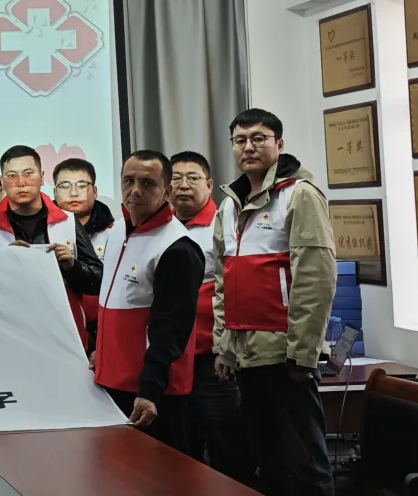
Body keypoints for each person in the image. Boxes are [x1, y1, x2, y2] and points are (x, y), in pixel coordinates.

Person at [214, 109, 336, 496]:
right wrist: (225, 347)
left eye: (258, 138)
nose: (248, 147)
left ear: (279, 144)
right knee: (268, 464)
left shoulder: (299, 195)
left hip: (285, 357)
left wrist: (303, 353)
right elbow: (224, 283)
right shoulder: (229, 206)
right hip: (246, 355)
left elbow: (315, 279)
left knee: (306, 467)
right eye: (240, 140)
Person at [91, 150, 203, 454]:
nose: (136, 190)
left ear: (166, 191)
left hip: (152, 393)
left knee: (161, 474)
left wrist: (150, 390)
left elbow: (172, 329)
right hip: (113, 382)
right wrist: (103, 350)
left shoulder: (177, 247)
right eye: (128, 181)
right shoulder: (117, 230)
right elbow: (115, 301)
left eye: (148, 183)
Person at [170, 151, 253, 483]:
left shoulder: (226, 224)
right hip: (172, 357)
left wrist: (227, 349)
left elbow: (234, 290)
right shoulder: (157, 228)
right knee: (179, 449)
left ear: (209, 184)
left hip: (213, 358)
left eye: (192, 178)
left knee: (227, 446)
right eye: (176, 178)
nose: (183, 185)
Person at [0, 145, 102, 349]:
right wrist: (0, 264)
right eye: (12, 176)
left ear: (42, 178)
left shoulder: (68, 222)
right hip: (7, 337)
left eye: (28, 173)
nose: (21, 182)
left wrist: (72, 266)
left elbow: (97, 281)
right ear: (2, 182)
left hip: (65, 337)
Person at [52, 157, 115, 347]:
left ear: (94, 191)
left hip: (106, 331)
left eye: (81, 185)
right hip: (58, 330)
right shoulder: (43, 231)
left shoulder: (116, 233)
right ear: (54, 192)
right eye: (65, 186)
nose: (73, 193)